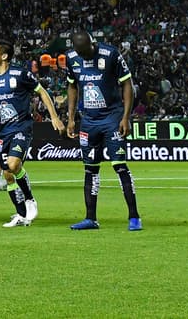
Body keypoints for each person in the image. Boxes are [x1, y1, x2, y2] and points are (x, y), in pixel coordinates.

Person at [0, 39, 64, 227]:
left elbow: (41, 92)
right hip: (2, 132)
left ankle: (30, 199)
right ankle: (21, 215)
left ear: (4, 56)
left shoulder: (20, 74)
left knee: (13, 164)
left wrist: (55, 117)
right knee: (8, 175)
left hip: (21, 127)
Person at [64, 30, 143, 231]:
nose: (85, 56)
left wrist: (126, 117)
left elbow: (127, 83)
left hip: (111, 118)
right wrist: (71, 118)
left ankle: (134, 217)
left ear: (93, 42)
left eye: (88, 51)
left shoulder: (111, 54)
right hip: (88, 121)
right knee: (90, 169)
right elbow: (72, 87)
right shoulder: (72, 59)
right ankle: (90, 218)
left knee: (119, 166)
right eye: (81, 53)